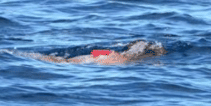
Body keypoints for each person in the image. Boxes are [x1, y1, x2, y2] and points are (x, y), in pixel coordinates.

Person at [29, 40, 166, 65]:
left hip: (75, 61)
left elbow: (91, 51)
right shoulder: (123, 63)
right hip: (78, 64)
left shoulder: (111, 52)